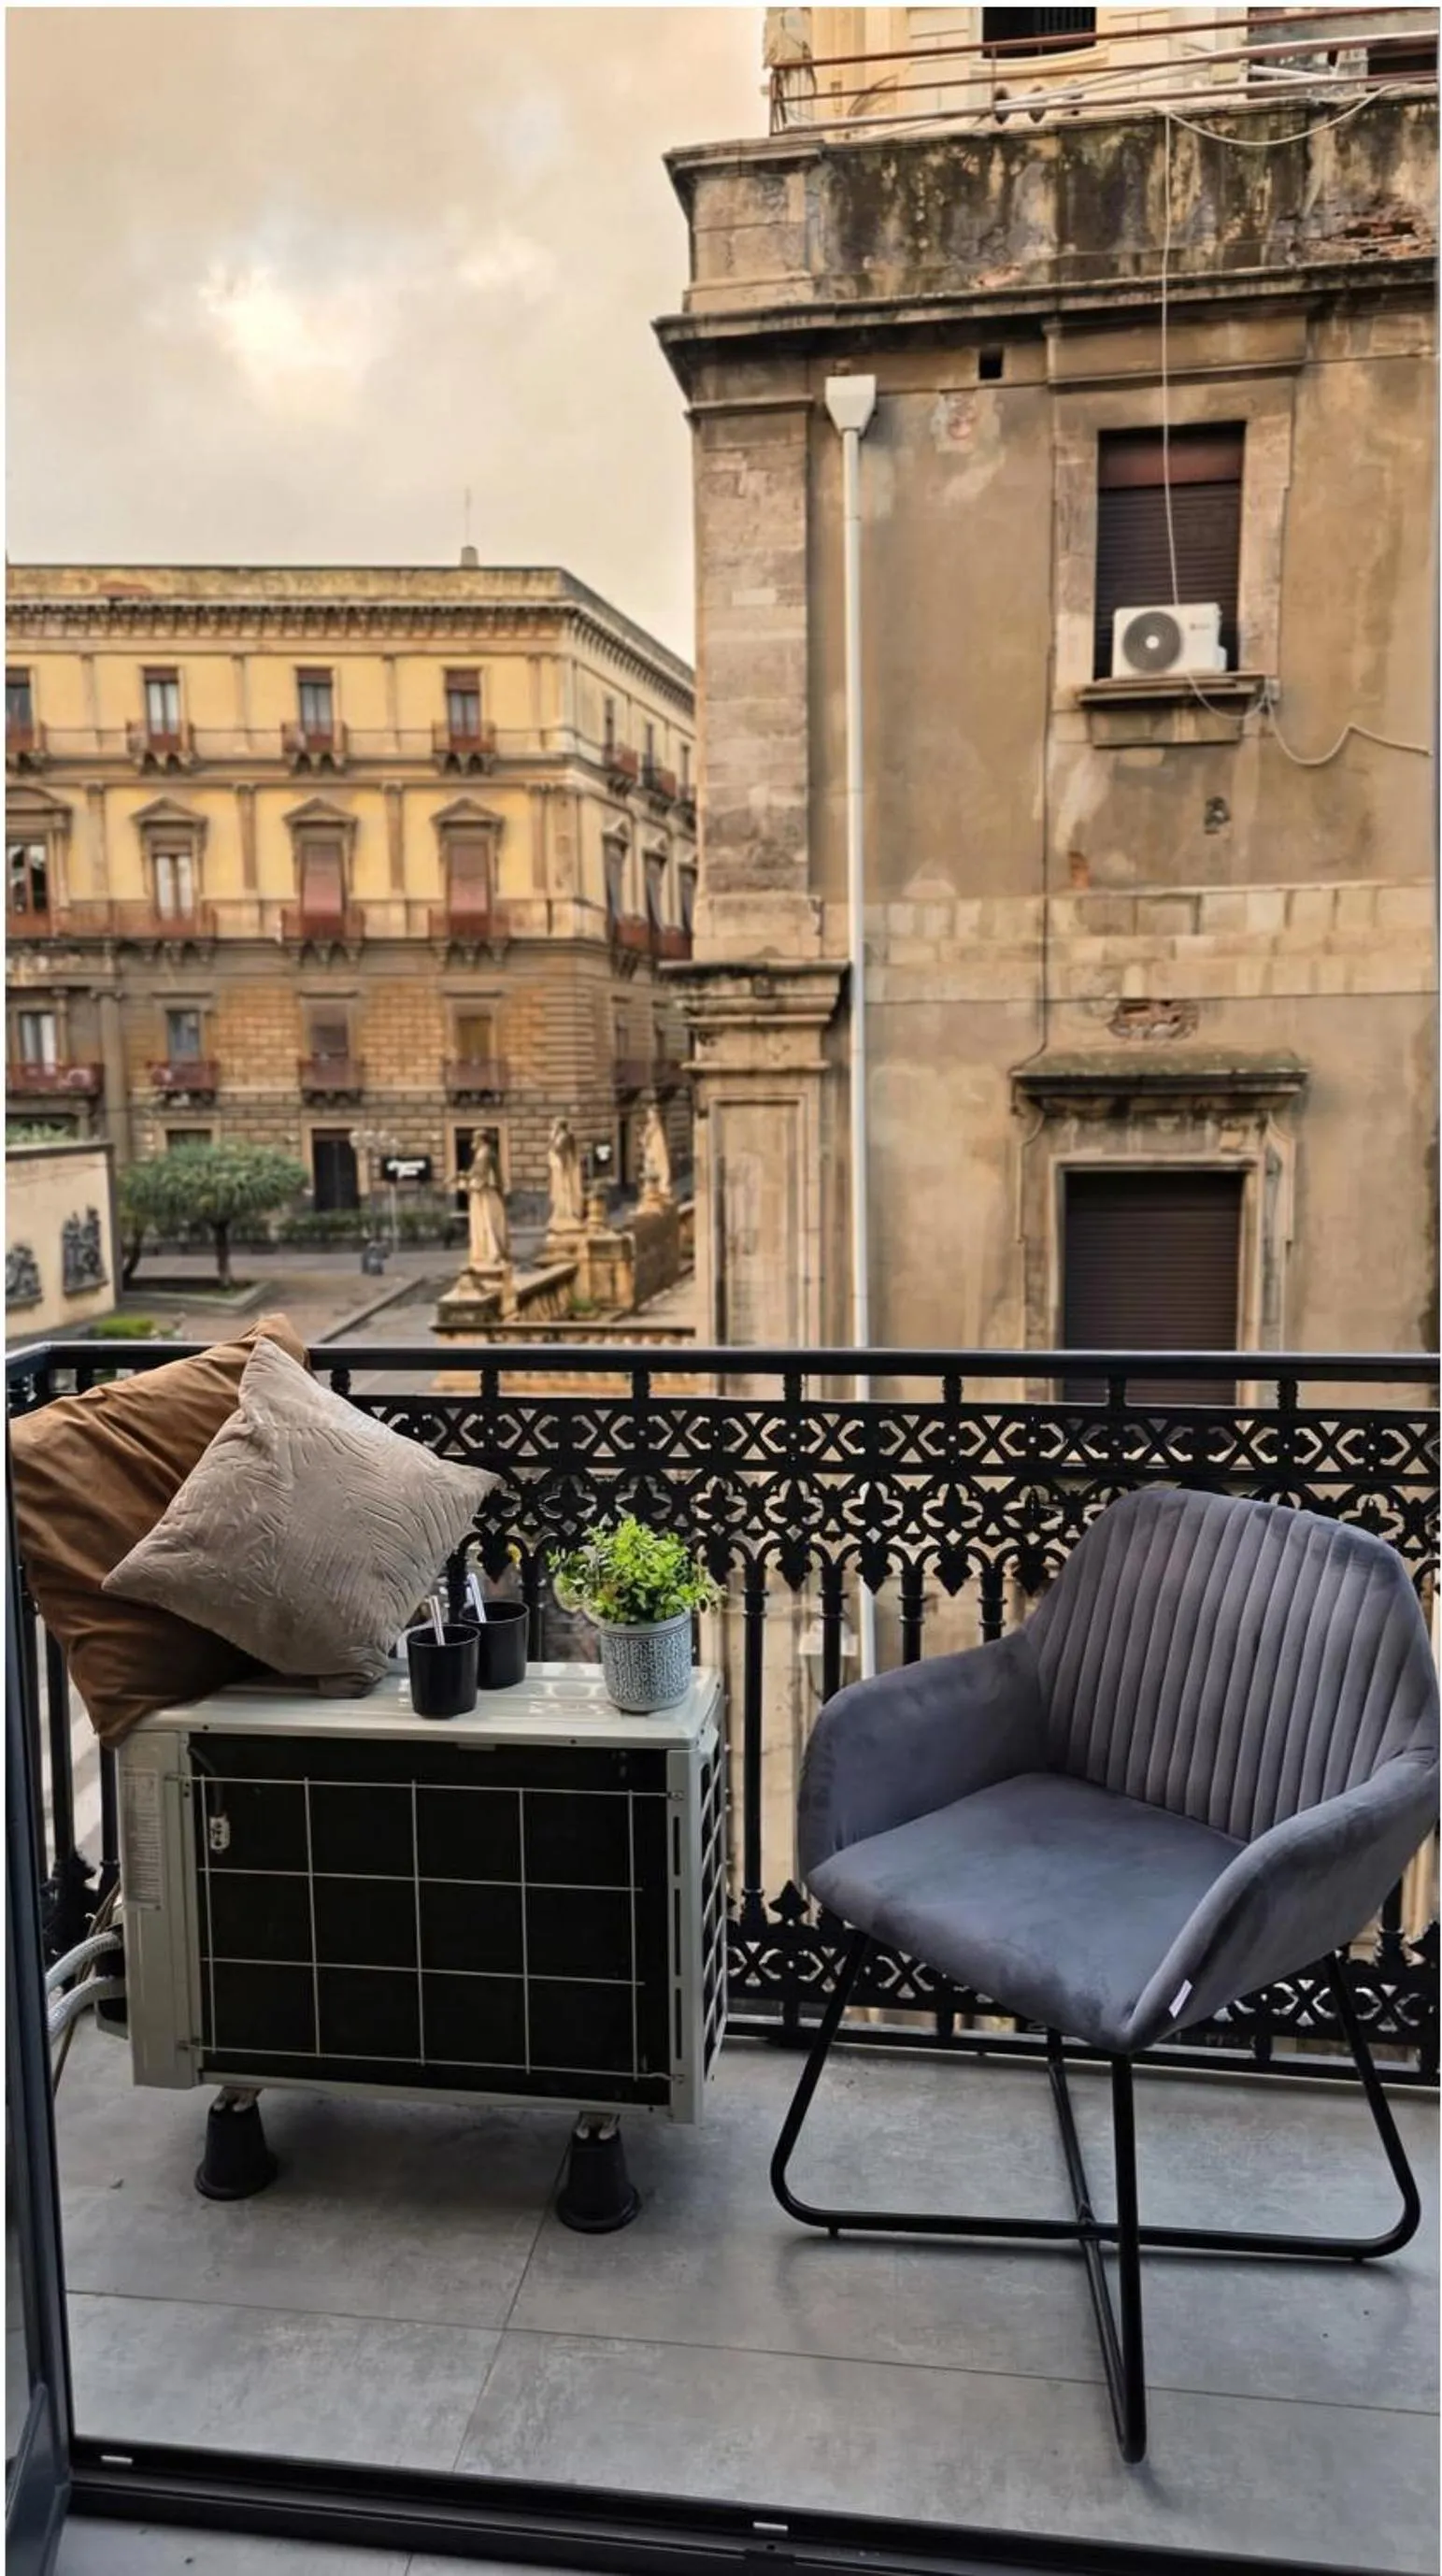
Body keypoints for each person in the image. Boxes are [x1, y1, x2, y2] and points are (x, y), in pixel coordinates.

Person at [458, 1135, 509, 1269]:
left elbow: (480, 1174)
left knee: (487, 1221)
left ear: (480, 1140)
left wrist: (466, 1179)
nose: (472, 1143)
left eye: (474, 1139)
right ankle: (489, 1251)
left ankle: (491, 1251)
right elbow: (477, 1173)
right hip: (484, 1193)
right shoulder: (484, 1153)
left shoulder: (485, 1154)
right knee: (486, 1221)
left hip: (485, 1194)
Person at [547, 1114, 585, 1229]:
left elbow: (563, 1154)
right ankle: (561, 1213)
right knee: (559, 1192)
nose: (553, 1127)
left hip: (563, 1170)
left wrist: (562, 1166)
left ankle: (567, 1213)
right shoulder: (559, 1137)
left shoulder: (565, 1137)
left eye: (554, 1125)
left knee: (565, 1191)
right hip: (558, 1169)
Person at [640, 1100, 672, 1202]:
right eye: (649, 1113)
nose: (649, 1115)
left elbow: (644, 1140)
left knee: (654, 1171)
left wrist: (642, 1137)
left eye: (650, 1113)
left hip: (654, 1155)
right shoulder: (657, 1126)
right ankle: (659, 1188)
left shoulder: (653, 1126)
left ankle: (656, 1190)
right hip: (654, 1155)